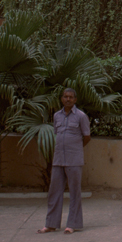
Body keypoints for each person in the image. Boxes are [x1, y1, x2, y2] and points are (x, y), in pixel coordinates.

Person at [37, 87, 90, 234]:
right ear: (62, 99)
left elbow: (86, 136)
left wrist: (76, 148)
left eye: (71, 97)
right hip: (58, 159)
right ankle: (51, 224)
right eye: (65, 97)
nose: (68, 99)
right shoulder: (56, 116)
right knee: (54, 191)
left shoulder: (81, 116)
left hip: (74, 159)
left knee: (74, 192)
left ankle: (72, 224)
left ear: (75, 100)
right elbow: (57, 133)